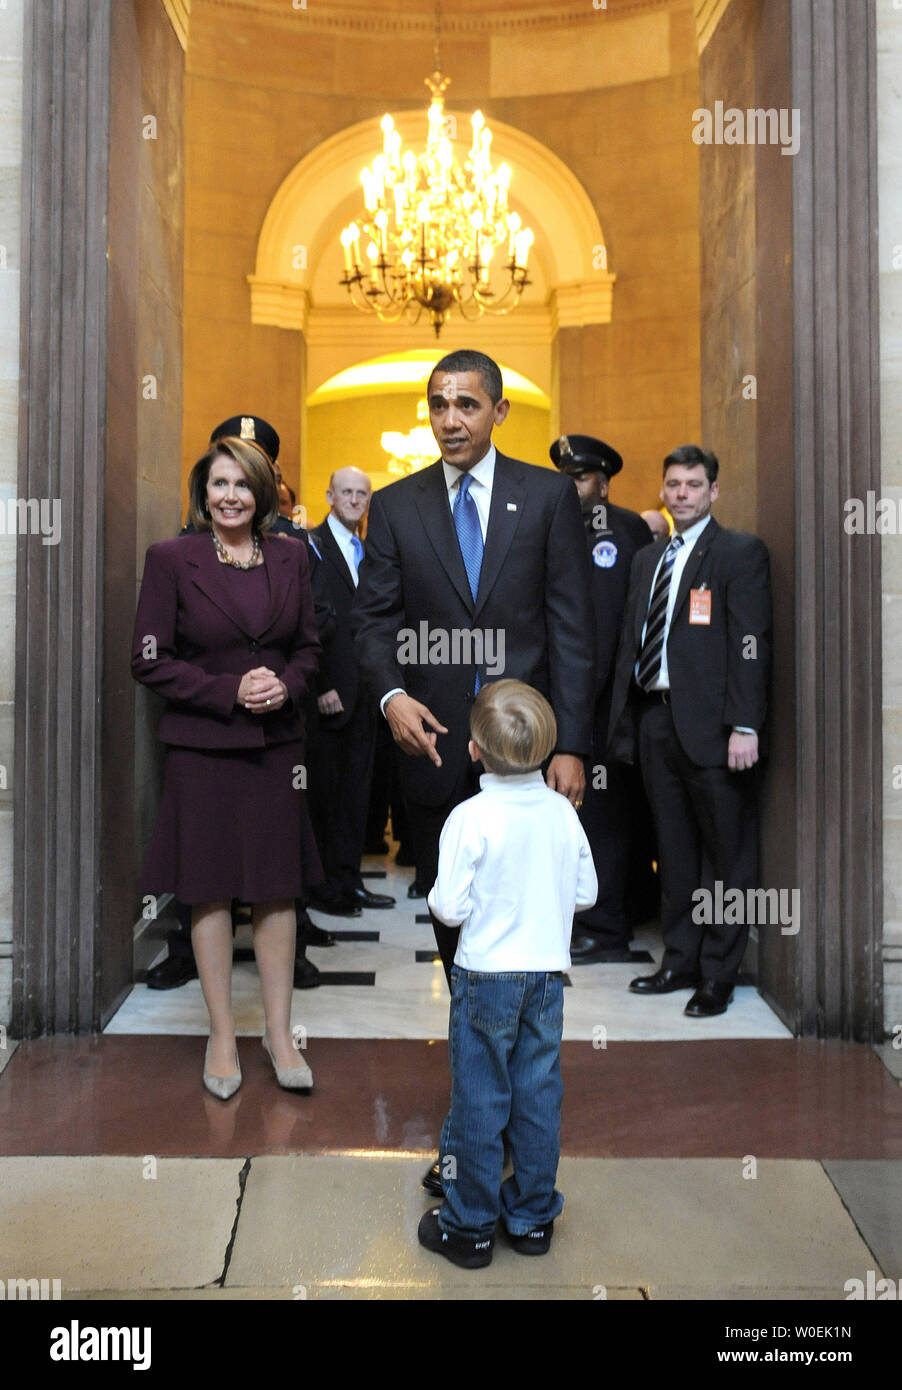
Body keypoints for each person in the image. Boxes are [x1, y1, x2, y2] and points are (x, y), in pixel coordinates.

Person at [354, 347, 595, 1195]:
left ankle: (506, 1147)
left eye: (465, 403)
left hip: (529, 768)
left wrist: (570, 745)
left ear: (498, 411)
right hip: (429, 760)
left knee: (528, 961)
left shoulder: (548, 499)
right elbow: (373, 622)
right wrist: (388, 695)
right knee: (461, 960)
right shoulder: (395, 506)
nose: (449, 418)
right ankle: (478, 1134)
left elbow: (571, 627)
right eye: (437, 404)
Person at [132, 436, 322, 1096]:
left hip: (277, 751)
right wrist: (228, 690)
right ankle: (220, 1033)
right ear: (202, 493)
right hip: (204, 747)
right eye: (219, 484)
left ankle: (278, 1033)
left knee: (276, 887)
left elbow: (310, 650)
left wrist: (287, 686)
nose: (231, 496)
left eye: (242, 485)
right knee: (208, 887)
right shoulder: (171, 559)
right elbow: (149, 657)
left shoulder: (293, 559)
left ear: (262, 493)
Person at [418, 680, 597, 1268]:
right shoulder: (563, 815)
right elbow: (587, 893)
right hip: (546, 977)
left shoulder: (469, 817)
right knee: (538, 1091)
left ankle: (469, 1226)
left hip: (485, 978)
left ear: (474, 750)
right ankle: (531, 1218)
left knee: (480, 1096)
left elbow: (448, 907)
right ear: (546, 748)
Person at [608, 445, 772, 1017]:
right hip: (656, 723)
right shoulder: (646, 560)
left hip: (716, 730)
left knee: (727, 859)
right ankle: (678, 960)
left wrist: (744, 725)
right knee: (673, 853)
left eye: (693, 485)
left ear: (713, 493)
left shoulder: (738, 553)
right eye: (673, 484)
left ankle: (718, 975)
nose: (681, 493)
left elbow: (751, 646)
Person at [549, 434, 655, 963]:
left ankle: (607, 927)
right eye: (565, 476)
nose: (571, 485)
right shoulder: (559, 524)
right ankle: (593, 918)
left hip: (605, 705)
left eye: (580, 477)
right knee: (580, 816)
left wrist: (584, 708)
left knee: (604, 817)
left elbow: (608, 627)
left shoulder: (618, 530)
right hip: (571, 701)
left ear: (603, 483)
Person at [307, 467, 395, 914]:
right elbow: (307, 619)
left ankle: (349, 880)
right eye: (347, 492)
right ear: (329, 496)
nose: (355, 500)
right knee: (324, 795)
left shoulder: (373, 550)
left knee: (358, 794)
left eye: (362, 494)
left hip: (368, 692)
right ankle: (323, 888)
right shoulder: (311, 546)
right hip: (331, 693)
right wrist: (321, 683)